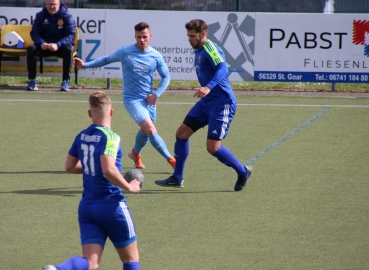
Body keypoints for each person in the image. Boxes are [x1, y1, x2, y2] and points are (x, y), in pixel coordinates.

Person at [43, 91, 141, 270]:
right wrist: (130, 186)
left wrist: (92, 169)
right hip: (112, 206)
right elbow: (109, 169)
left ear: (90, 113)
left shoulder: (81, 136)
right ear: (111, 112)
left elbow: (69, 167)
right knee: (130, 259)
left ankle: (58, 269)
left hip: (87, 208)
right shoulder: (111, 137)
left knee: (91, 263)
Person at [155, 19, 252, 191]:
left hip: (222, 104)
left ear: (204, 35)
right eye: (188, 35)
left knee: (212, 148)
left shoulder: (210, 48)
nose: (189, 39)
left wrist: (208, 87)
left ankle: (242, 171)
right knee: (181, 133)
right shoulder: (198, 49)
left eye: (192, 36)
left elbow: (223, 68)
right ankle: (177, 178)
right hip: (207, 102)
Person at [73, 22, 175, 170]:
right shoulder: (125, 52)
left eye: (145, 37)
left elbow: (166, 77)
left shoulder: (155, 56)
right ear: (135, 36)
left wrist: (156, 94)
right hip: (131, 100)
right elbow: (106, 59)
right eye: (139, 37)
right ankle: (172, 161)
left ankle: (135, 153)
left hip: (149, 100)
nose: (142, 40)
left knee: (145, 132)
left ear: (150, 36)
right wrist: (85, 65)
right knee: (151, 130)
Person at [26, 0, 76, 91]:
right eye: (49, 4)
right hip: (44, 46)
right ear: (46, 4)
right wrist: (42, 43)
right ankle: (32, 80)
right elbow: (35, 33)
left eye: (54, 4)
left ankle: (65, 81)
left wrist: (58, 44)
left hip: (60, 46)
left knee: (69, 49)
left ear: (59, 4)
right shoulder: (40, 15)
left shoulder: (67, 16)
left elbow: (71, 35)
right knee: (31, 49)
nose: (51, 7)